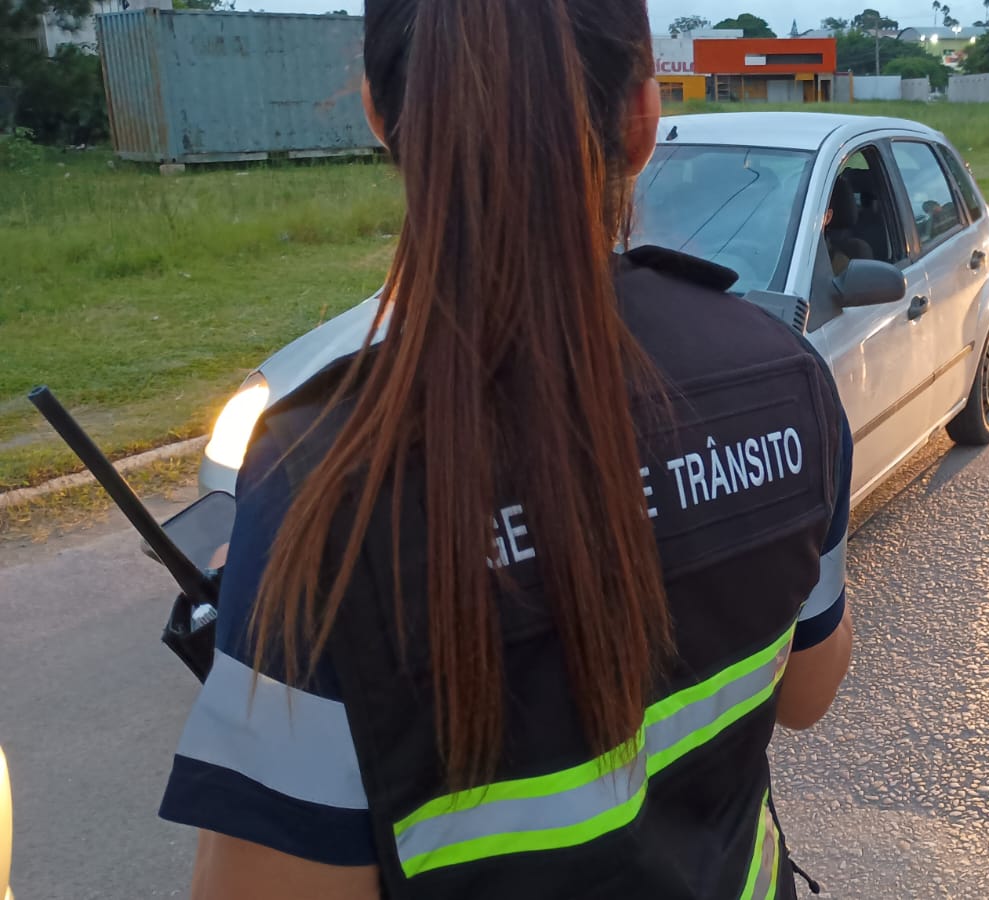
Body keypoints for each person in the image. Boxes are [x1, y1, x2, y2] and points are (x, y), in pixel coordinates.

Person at [157, 0, 855, 897]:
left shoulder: (326, 483)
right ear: (642, 120)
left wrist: (281, 600)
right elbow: (807, 694)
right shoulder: (787, 378)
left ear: (381, 115)